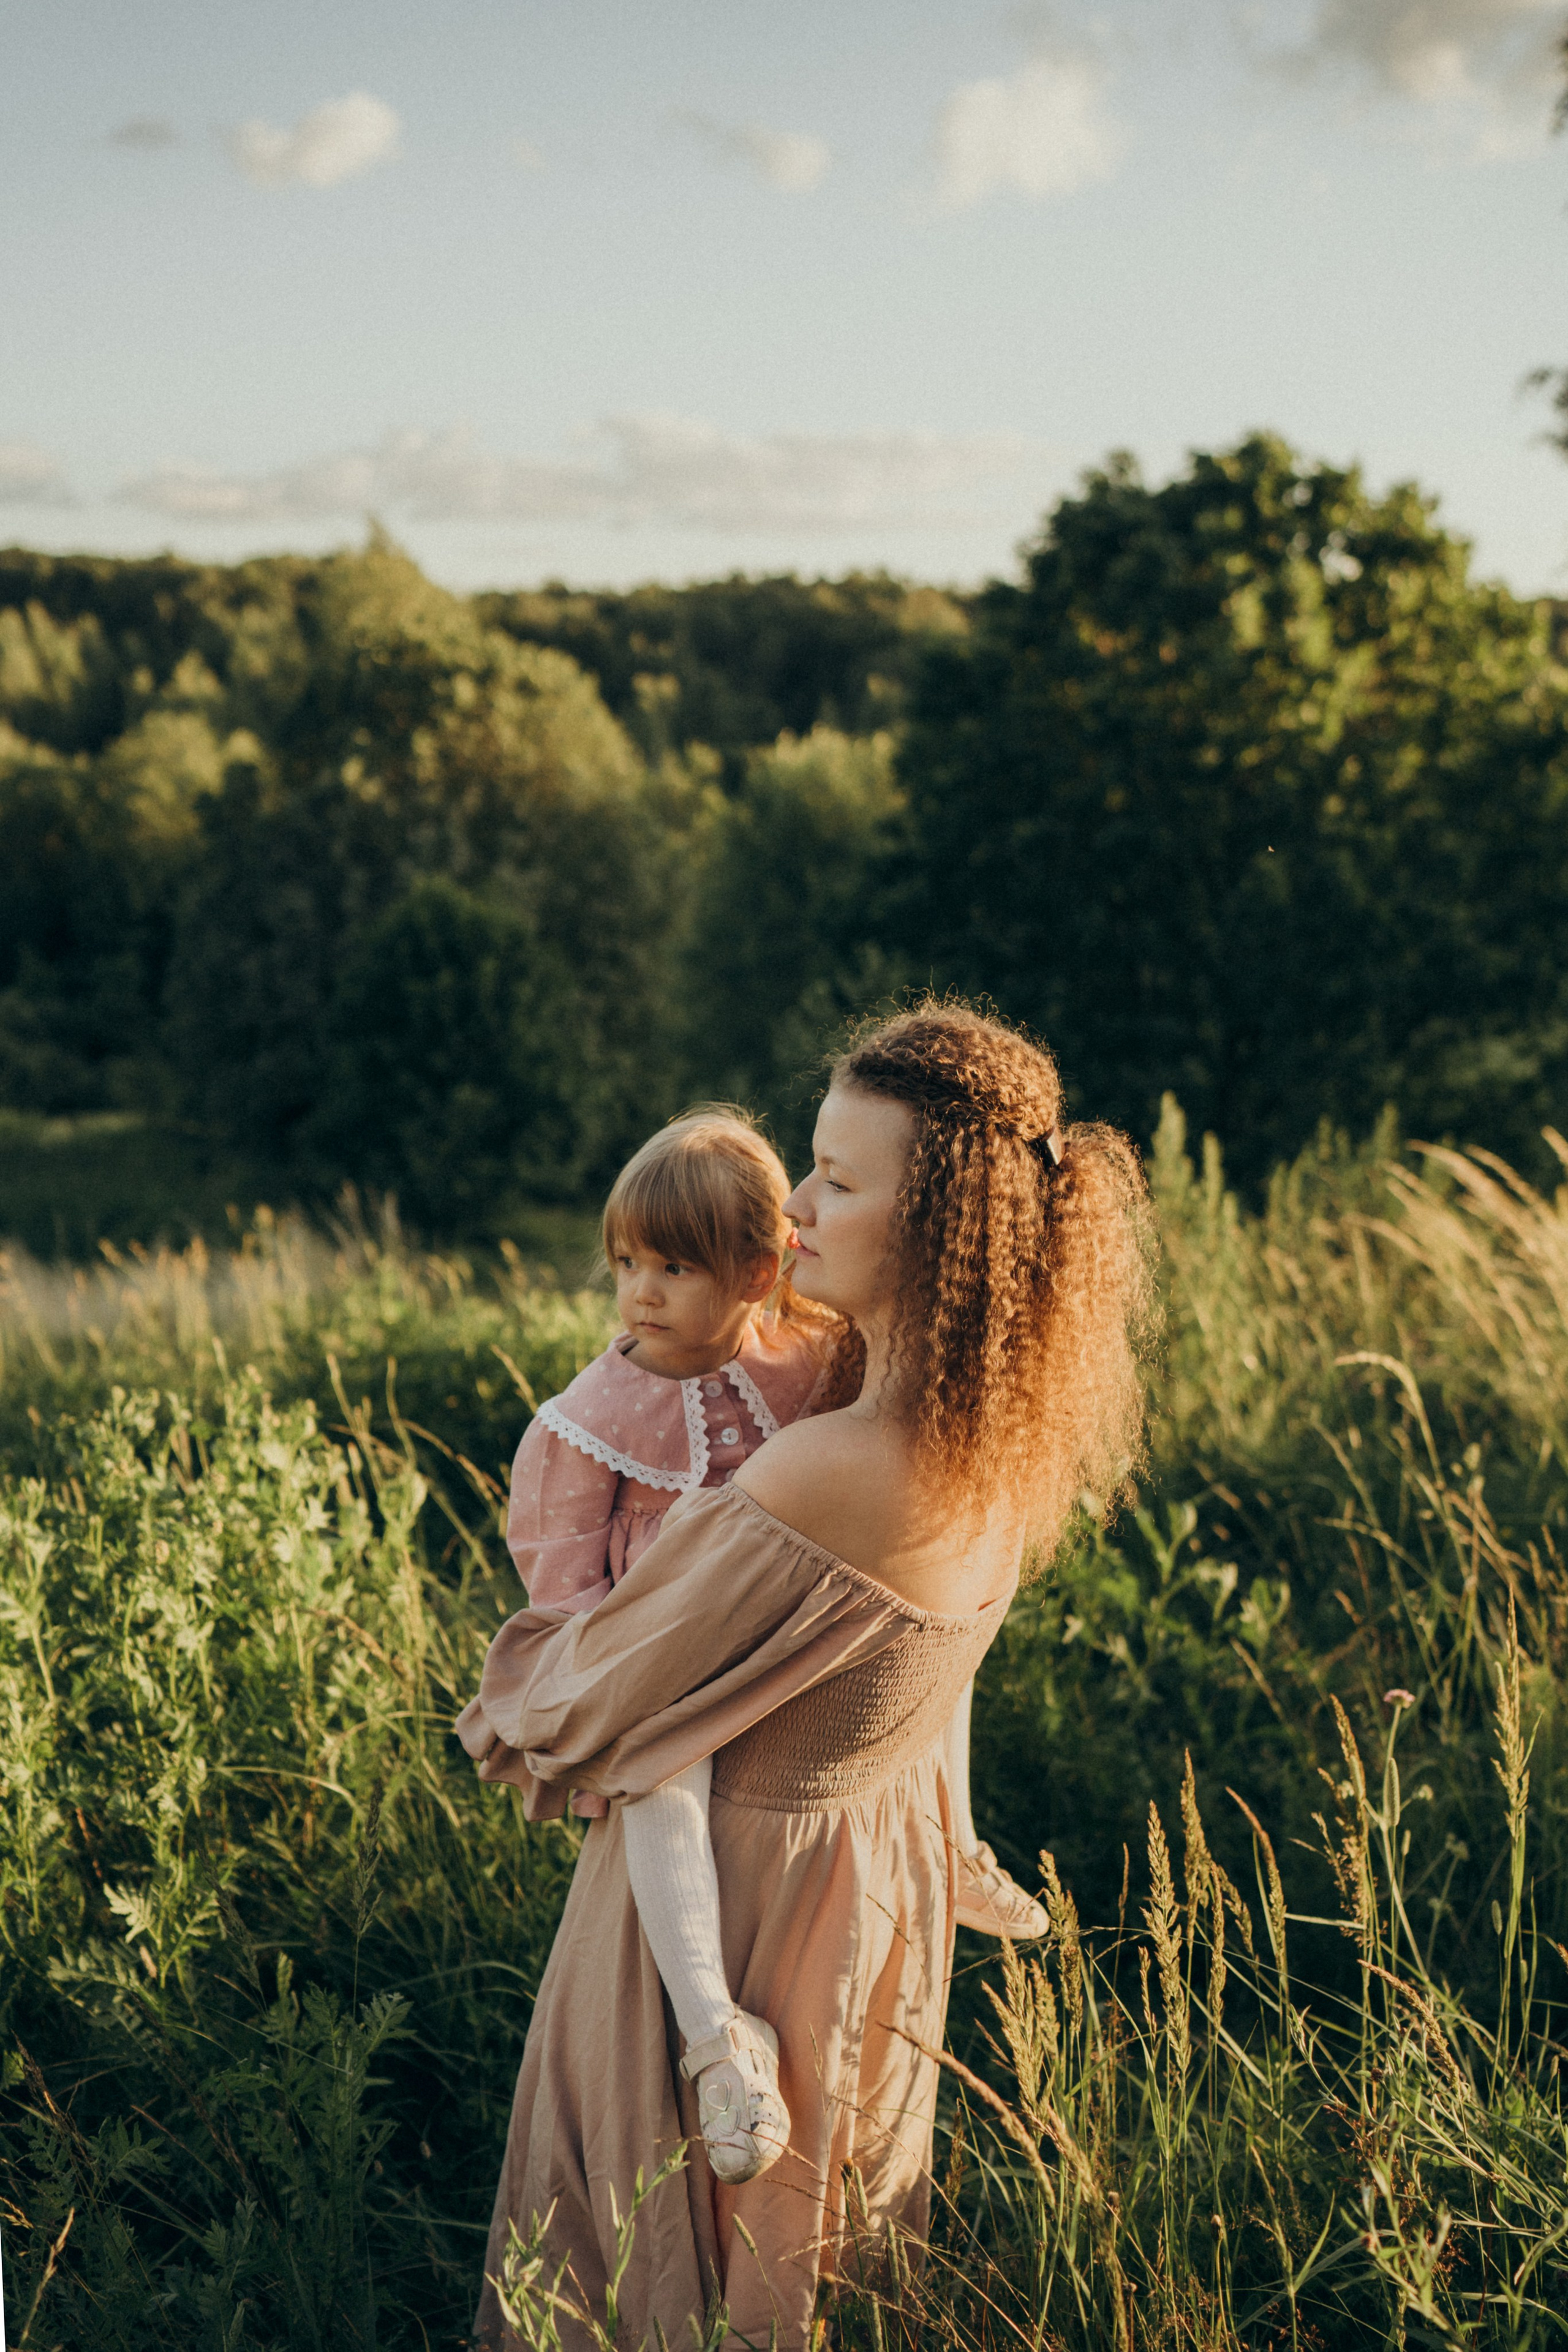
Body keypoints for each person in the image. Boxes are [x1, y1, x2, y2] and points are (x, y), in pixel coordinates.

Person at [458, 1003, 1154, 2350]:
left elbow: (594, 1704)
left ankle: (719, 2052)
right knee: (817, 2276)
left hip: (740, 1905)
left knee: (654, 2283)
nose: (793, 1208)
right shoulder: (984, 1435)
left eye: (837, 1179)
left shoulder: (824, 1469)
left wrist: (532, 1667)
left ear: (940, 1225)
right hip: (872, 1895)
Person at [500, 1108, 1049, 2189]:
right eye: (626, 1263)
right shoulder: (594, 1416)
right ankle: (716, 2033)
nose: (641, 1293)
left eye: (674, 1266)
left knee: (928, 1665)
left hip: (790, 1630)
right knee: (666, 1766)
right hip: (673, 1646)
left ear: (758, 1273)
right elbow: (566, 1584)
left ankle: (961, 1841)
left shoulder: (806, 1360)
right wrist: (611, 1661)